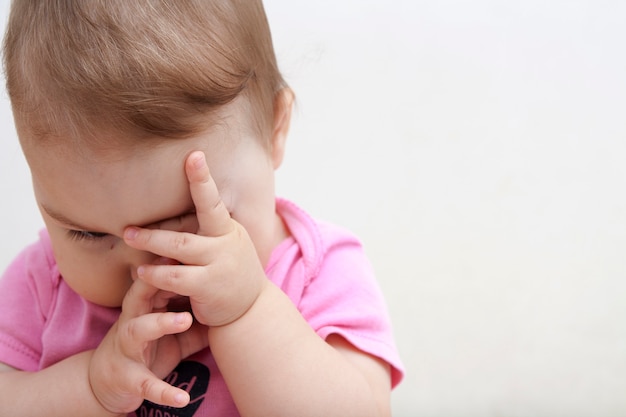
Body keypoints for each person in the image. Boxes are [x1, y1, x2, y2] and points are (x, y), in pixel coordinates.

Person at [0, 1, 404, 416]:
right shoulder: (42, 287)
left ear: (275, 130)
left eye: (185, 224)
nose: (147, 269)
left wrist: (247, 311)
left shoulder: (318, 271)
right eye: (88, 234)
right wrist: (90, 389)